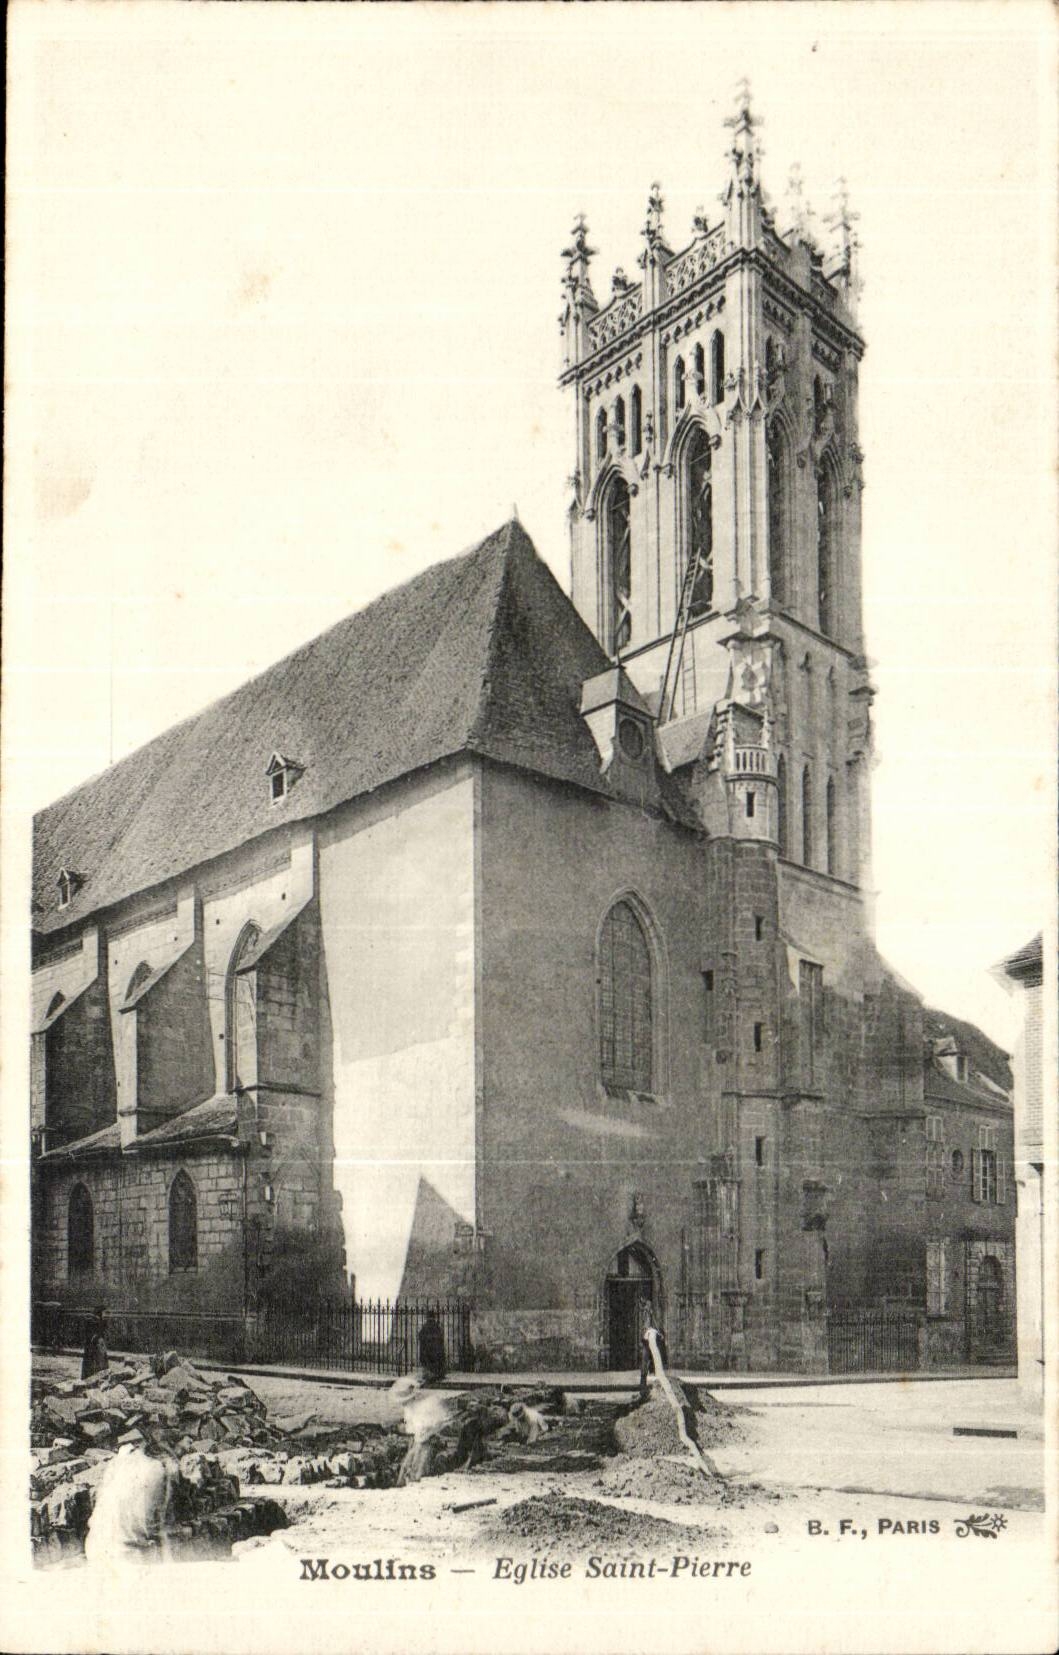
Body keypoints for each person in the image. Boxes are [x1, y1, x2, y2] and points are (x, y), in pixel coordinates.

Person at [638, 1302, 668, 1401]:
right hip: (647, 1341)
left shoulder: (649, 1315)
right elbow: (645, 1327)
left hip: (650, 1340)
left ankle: (654, 1389)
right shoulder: (645, 1315)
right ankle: (643, 1389)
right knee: (645, 1364)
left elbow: (652, 1325)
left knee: (652, 1363)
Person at [417, 1308, 446, 1385]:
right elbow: (440, 1338)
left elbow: (420, 1336)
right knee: (435, 1364)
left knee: (428, 1364)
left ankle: (429, 1376)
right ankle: (436, 1375)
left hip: (426, 1350)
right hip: (435, 1351)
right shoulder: (437, 1326)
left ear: (427, 1317)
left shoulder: (425, 1326)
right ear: (434, 1317)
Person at [81, 1306, 109, 1380]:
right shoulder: (93, 1321)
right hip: (94, 1346)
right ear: (100, 1313)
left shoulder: (101, 1321)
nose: (106, 1315)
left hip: (97, 1345)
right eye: (105, 1313)